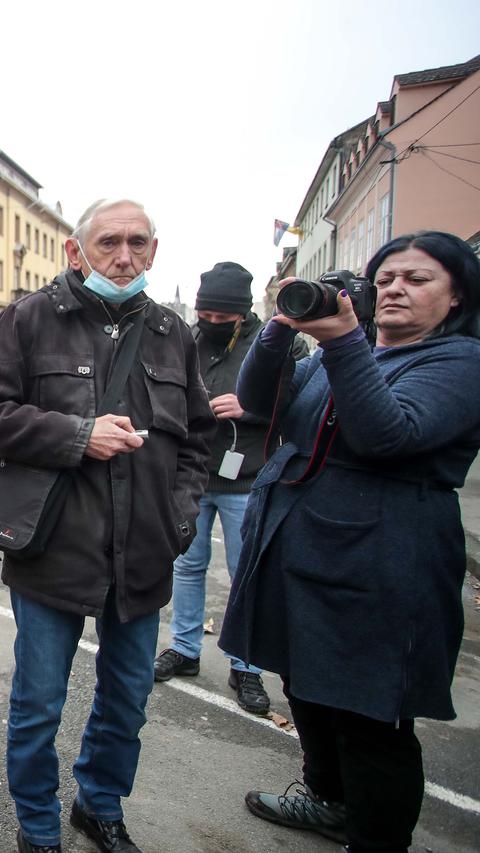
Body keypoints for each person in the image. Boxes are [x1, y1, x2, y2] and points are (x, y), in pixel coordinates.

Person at [0, 198, 215, 853]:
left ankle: (99, 805)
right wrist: (78, 435)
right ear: (77, 252)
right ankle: (39, 828)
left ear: (154, 251)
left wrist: (179, 519)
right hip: (54, 550)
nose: (123, 256)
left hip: (145, 555)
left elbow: (199, 440)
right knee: (39, 702)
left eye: (136, 242)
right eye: (107, 242)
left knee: (128, 698)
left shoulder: (172, 333)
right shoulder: (30, 318)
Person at [220, 231, 480, 853]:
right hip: (302, 546)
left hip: (385, 560)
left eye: (417, 280)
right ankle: (327, 799)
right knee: (305, 685)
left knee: (371, 716)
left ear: (455, 297)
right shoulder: (346, 354)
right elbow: (260, 403)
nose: (395, 288)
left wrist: (342, 341)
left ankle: (375, 839)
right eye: (386, 278)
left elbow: (388, 436)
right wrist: (281, 328)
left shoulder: (461, 361)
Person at [153, 262, 308, 715]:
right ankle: (184, 648)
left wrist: (251, 408)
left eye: (224, 319)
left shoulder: (277, 344)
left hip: (247, 477)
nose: (213, 325)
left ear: (243, 315)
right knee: (186, 566)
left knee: (246, 573)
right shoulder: (189, 340)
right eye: (206, 317)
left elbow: (303, 401)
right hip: (193, 476)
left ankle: (246, 666)